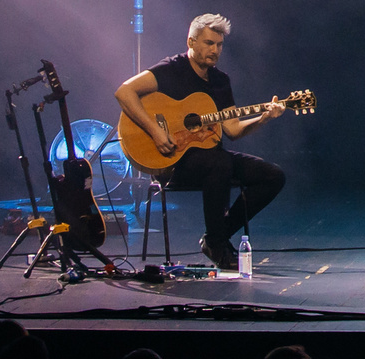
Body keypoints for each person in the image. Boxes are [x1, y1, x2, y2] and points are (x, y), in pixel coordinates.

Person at [114, 14, 290, 271]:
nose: (215, 50)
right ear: (191, 41)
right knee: (219, 163)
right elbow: (124, 92)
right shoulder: (171, 69)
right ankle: (218, 245)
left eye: (219, 45)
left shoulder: (220, 81)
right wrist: (155, 131)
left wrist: (262, 119)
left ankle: (215, 238)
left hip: (211, 161)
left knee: (273, 176)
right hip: (171, 162)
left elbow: (231, 129)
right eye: (209, 43)